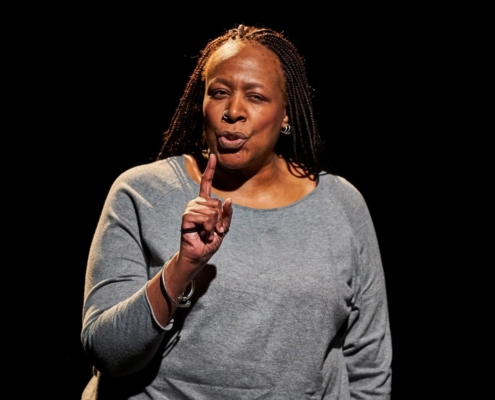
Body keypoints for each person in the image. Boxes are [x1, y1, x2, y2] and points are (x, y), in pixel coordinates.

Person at [81, 25, 392, 399]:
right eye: (219, 93)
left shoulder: (341, 205)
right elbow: (108, 353)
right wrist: (183, 267)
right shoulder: (142, 193)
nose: (233, 112)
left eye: (256, 96)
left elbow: (368, 365)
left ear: (286, 114)